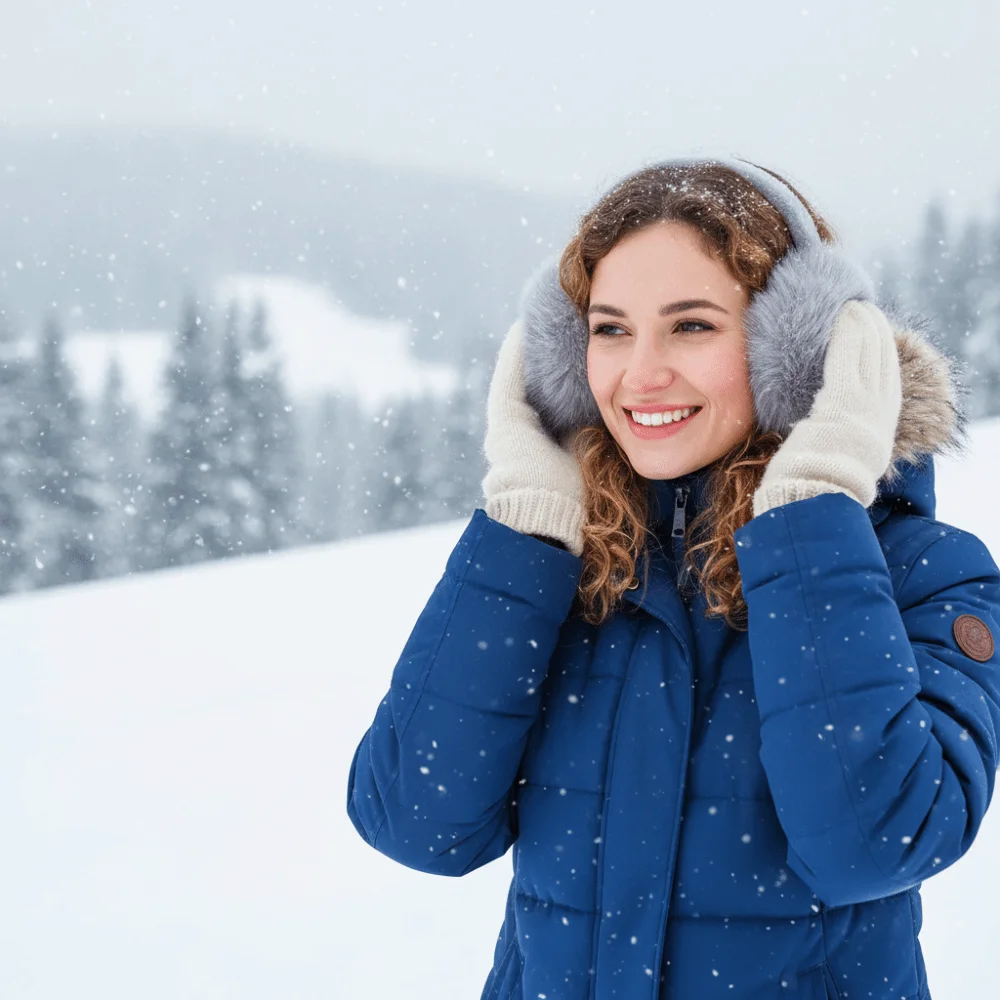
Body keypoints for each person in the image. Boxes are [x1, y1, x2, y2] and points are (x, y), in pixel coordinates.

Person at [346, 158, 1000, 999]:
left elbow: (872, 842)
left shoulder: (927, 575)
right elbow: (414, 819)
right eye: (610, 329)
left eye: (691, 325)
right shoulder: (564, 567)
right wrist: (525, 526)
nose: (640, 373)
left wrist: (811, 510)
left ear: (797, 351)